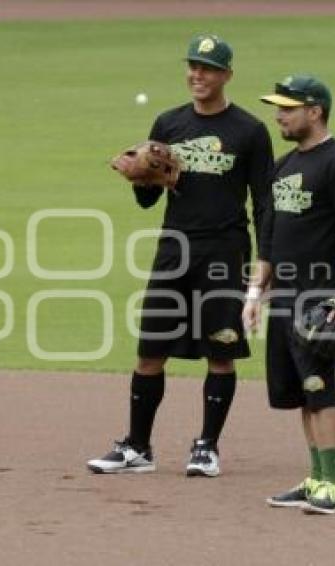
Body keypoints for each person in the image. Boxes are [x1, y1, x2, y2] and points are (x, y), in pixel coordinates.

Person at [87, 34, 274, 477]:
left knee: (221, 352)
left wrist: (266, 261)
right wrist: (142, 178)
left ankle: (206, 447)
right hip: (175, 249)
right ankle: (137, 447)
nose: (198, 75)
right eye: (193, 66)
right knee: (150, 350)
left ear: (226, 74)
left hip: (225, 253)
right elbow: (148, 203)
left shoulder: (249, 131)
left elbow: (263, 201)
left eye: (208, 68)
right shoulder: (168, 124)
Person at [243, 75, 335, 514]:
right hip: (283, 298)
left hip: (319, 299)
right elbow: (271, 236)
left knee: (322, 389)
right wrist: (255, 293)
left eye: (288, 107)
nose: (278, 114)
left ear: (314, 111)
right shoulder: (285, 165)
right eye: (277, 106)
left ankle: (331, 487)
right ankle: (315, 477)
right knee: (301, 393)